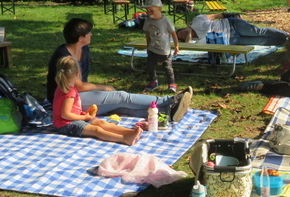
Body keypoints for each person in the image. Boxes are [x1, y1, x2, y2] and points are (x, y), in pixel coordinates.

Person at [46, 17, 193, 122]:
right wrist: (105, 87)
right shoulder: (63, 56)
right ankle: (169, 100)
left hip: (79, 95)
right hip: (67, 100)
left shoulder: (84, 49)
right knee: (121, 97)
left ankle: (167, 112)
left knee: (119, 107)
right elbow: (78, 85)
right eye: (89, 33)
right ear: (80, 38)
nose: (91, 34)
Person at [53, 56, 143, 145]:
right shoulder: (70, 92)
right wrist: (84, 118)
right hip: (65, 124)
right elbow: (65, 114)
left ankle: (131, 132)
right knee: (96, 130)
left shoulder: (65, 88)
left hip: (75, 118)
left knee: (101, 123)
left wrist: (85, 115)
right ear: (77, 74)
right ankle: (125, 139)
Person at [142, 0, 179, 92]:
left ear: (159, 9)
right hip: (152, 49)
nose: (149, 13)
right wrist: (148, 46)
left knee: (168, 67)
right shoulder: (148, 21)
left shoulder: (166, 21)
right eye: (147, 11)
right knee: (150, 66)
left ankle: (172, 84)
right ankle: (153, 82)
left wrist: (176, 46)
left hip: (164, 50)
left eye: (152, 11)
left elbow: (173, 33)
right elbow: (147, 34)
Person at [188, 13, 288, 46]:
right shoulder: (195, 42)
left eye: (183, 33)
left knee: (258, 31)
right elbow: (187, 45)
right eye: (181, 37)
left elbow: (215, 15)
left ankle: (288, 35)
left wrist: (232, 15)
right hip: (233, 41)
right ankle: (287, 43)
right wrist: (187, 37)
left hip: (232, 25)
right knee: (260, 41)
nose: (185, 35)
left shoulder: (197, 21)